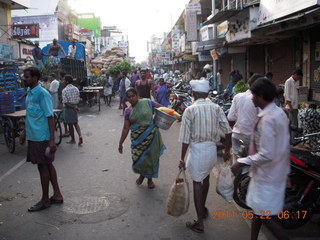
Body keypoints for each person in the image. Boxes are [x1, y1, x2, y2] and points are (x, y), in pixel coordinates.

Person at [231, 78, 290, 240]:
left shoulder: (268, 119)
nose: (251, 98)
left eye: (254, 95)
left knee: (263, 215)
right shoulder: (278, 113)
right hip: (272, 173)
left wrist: (241, 162)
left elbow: (266, 154)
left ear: (261, 95)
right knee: (257, 211)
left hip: (267, 176)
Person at [179, 79, 232, 233]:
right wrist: (227, 150)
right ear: (207, 93)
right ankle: (202, 208)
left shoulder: (190, 110)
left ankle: (200, 223)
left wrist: (182, 158)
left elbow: (184, 139)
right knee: (206, 178)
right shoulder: (216, 107)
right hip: (211, 151)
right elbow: (228, 131)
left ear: (194, 94)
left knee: (197, 182)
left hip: (198, 150)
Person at [22, 67, 63, 212]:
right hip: (33, 136)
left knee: (42, 167)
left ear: (34, 78)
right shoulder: (29, 93)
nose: (24, 79)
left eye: (26, 77)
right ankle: (57, 195)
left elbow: (50, 117)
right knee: (48, 165)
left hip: (42, 137)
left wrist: (52, 141)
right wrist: (23, 134)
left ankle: (45, 200)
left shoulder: (42, 94)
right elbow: (30, 115)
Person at [118, 88, 165, 189]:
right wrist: (120, 143)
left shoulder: (147, 102)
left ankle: (149, 180)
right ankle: (142, 175)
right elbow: (126, 128)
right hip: (138, 139)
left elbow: (161, 108)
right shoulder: (128, 111)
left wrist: (164, 118)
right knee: (139, 158)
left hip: (151, 135)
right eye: (129, 97)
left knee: (151, 158)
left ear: (137, 95)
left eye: (133, 96)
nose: (131, 99)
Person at [227, 74, 263, 163]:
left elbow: (230, 117)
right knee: (251, 164)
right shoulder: (258, 98)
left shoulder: (238, 96)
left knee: (238, 163)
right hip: (249, 136)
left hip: (236, 135)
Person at [62, 75, 83, 145]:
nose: (63, 81)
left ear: (67, 81)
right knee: (76, 123)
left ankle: (73, 139)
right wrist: (75, 107)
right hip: (75, 107)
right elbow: (78, 99)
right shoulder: (76, 89)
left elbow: (65, 102)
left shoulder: (64, 90)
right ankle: (80, 136)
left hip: (69, 108)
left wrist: (73, 107)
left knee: (70, 125)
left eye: (64, 80)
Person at [284, 69, 303, 143]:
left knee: (293, 123)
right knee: (293, 124)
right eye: (299, 77)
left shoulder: (295, 82)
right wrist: (290, 106)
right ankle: (292, 140)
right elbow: (287, 95)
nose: (299, 79)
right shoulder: (288, 82)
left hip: (294, 106)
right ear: (296, 75)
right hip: (291, 107)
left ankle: (292, 139)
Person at [57, 71, 69, 137]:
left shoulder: (61, 83)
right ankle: (68, 130)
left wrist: (59, 102)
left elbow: (61, 93)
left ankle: (66, 131)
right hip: (68, 101)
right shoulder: (66, 82)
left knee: (64, 117)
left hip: (63, 101)